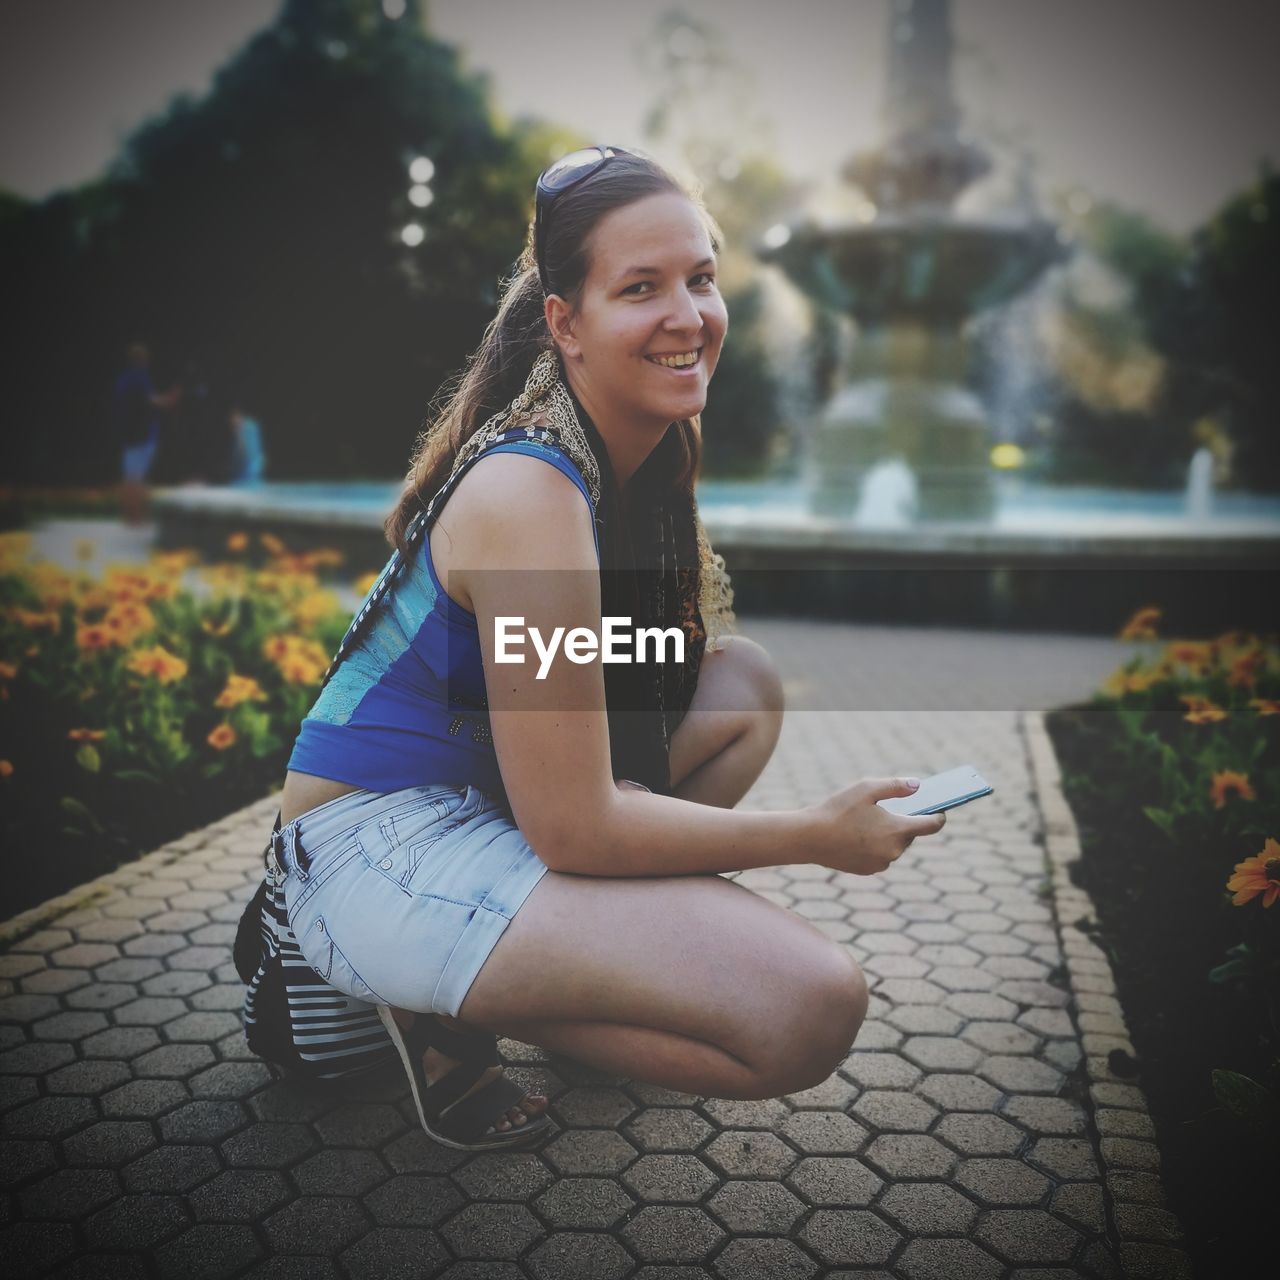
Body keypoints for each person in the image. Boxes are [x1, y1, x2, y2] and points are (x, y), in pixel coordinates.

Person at [269, 147, 946, 1152]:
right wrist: (812, 833)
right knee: (805, 1005)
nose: (688, 315)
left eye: (700, 277)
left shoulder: (639, 451)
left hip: (483, 805)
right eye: (640, 287)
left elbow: (604, 710)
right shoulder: (529, 488)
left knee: (742, 685)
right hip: (371, 845)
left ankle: (558, 964)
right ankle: (435, 1009)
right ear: (564, 324)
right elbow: (576, 828)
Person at [111, 342, 179, 524]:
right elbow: (153, 401)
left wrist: (165, 400)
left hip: (129, 435)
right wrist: (170, 399)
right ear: (142, 360)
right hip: (141, 436)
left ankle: (130, 516)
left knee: (131, 477)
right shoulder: (139, 378)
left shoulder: (123, 379)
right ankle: (136, 517)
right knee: (136, 479)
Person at [227, 401, 266, 485]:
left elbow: (246, 450)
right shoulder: (243, 427)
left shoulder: (249, 426)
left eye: (233, 419)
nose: (232, 423)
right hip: (247, 470)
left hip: (251, 469)